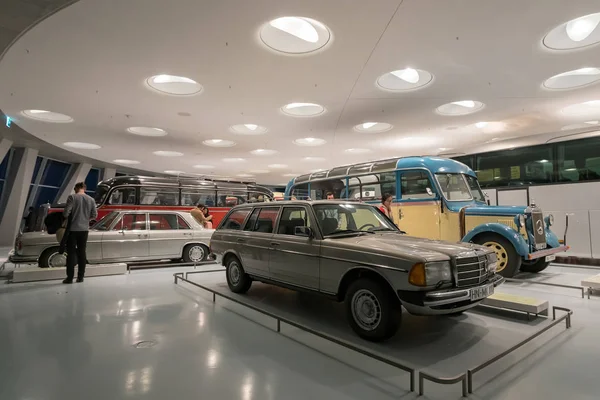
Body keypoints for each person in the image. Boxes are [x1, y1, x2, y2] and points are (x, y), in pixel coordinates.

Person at [63, 182, 97, 284]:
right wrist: (85, 219)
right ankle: (80, 277)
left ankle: (69, 278)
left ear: (77, 188)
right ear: (84, 189)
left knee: (71, 253)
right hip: (84, 230)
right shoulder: (91, 199)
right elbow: (94, 215)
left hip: (73, 230)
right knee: (82, 253)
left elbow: (65, 213)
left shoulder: (72, 198)